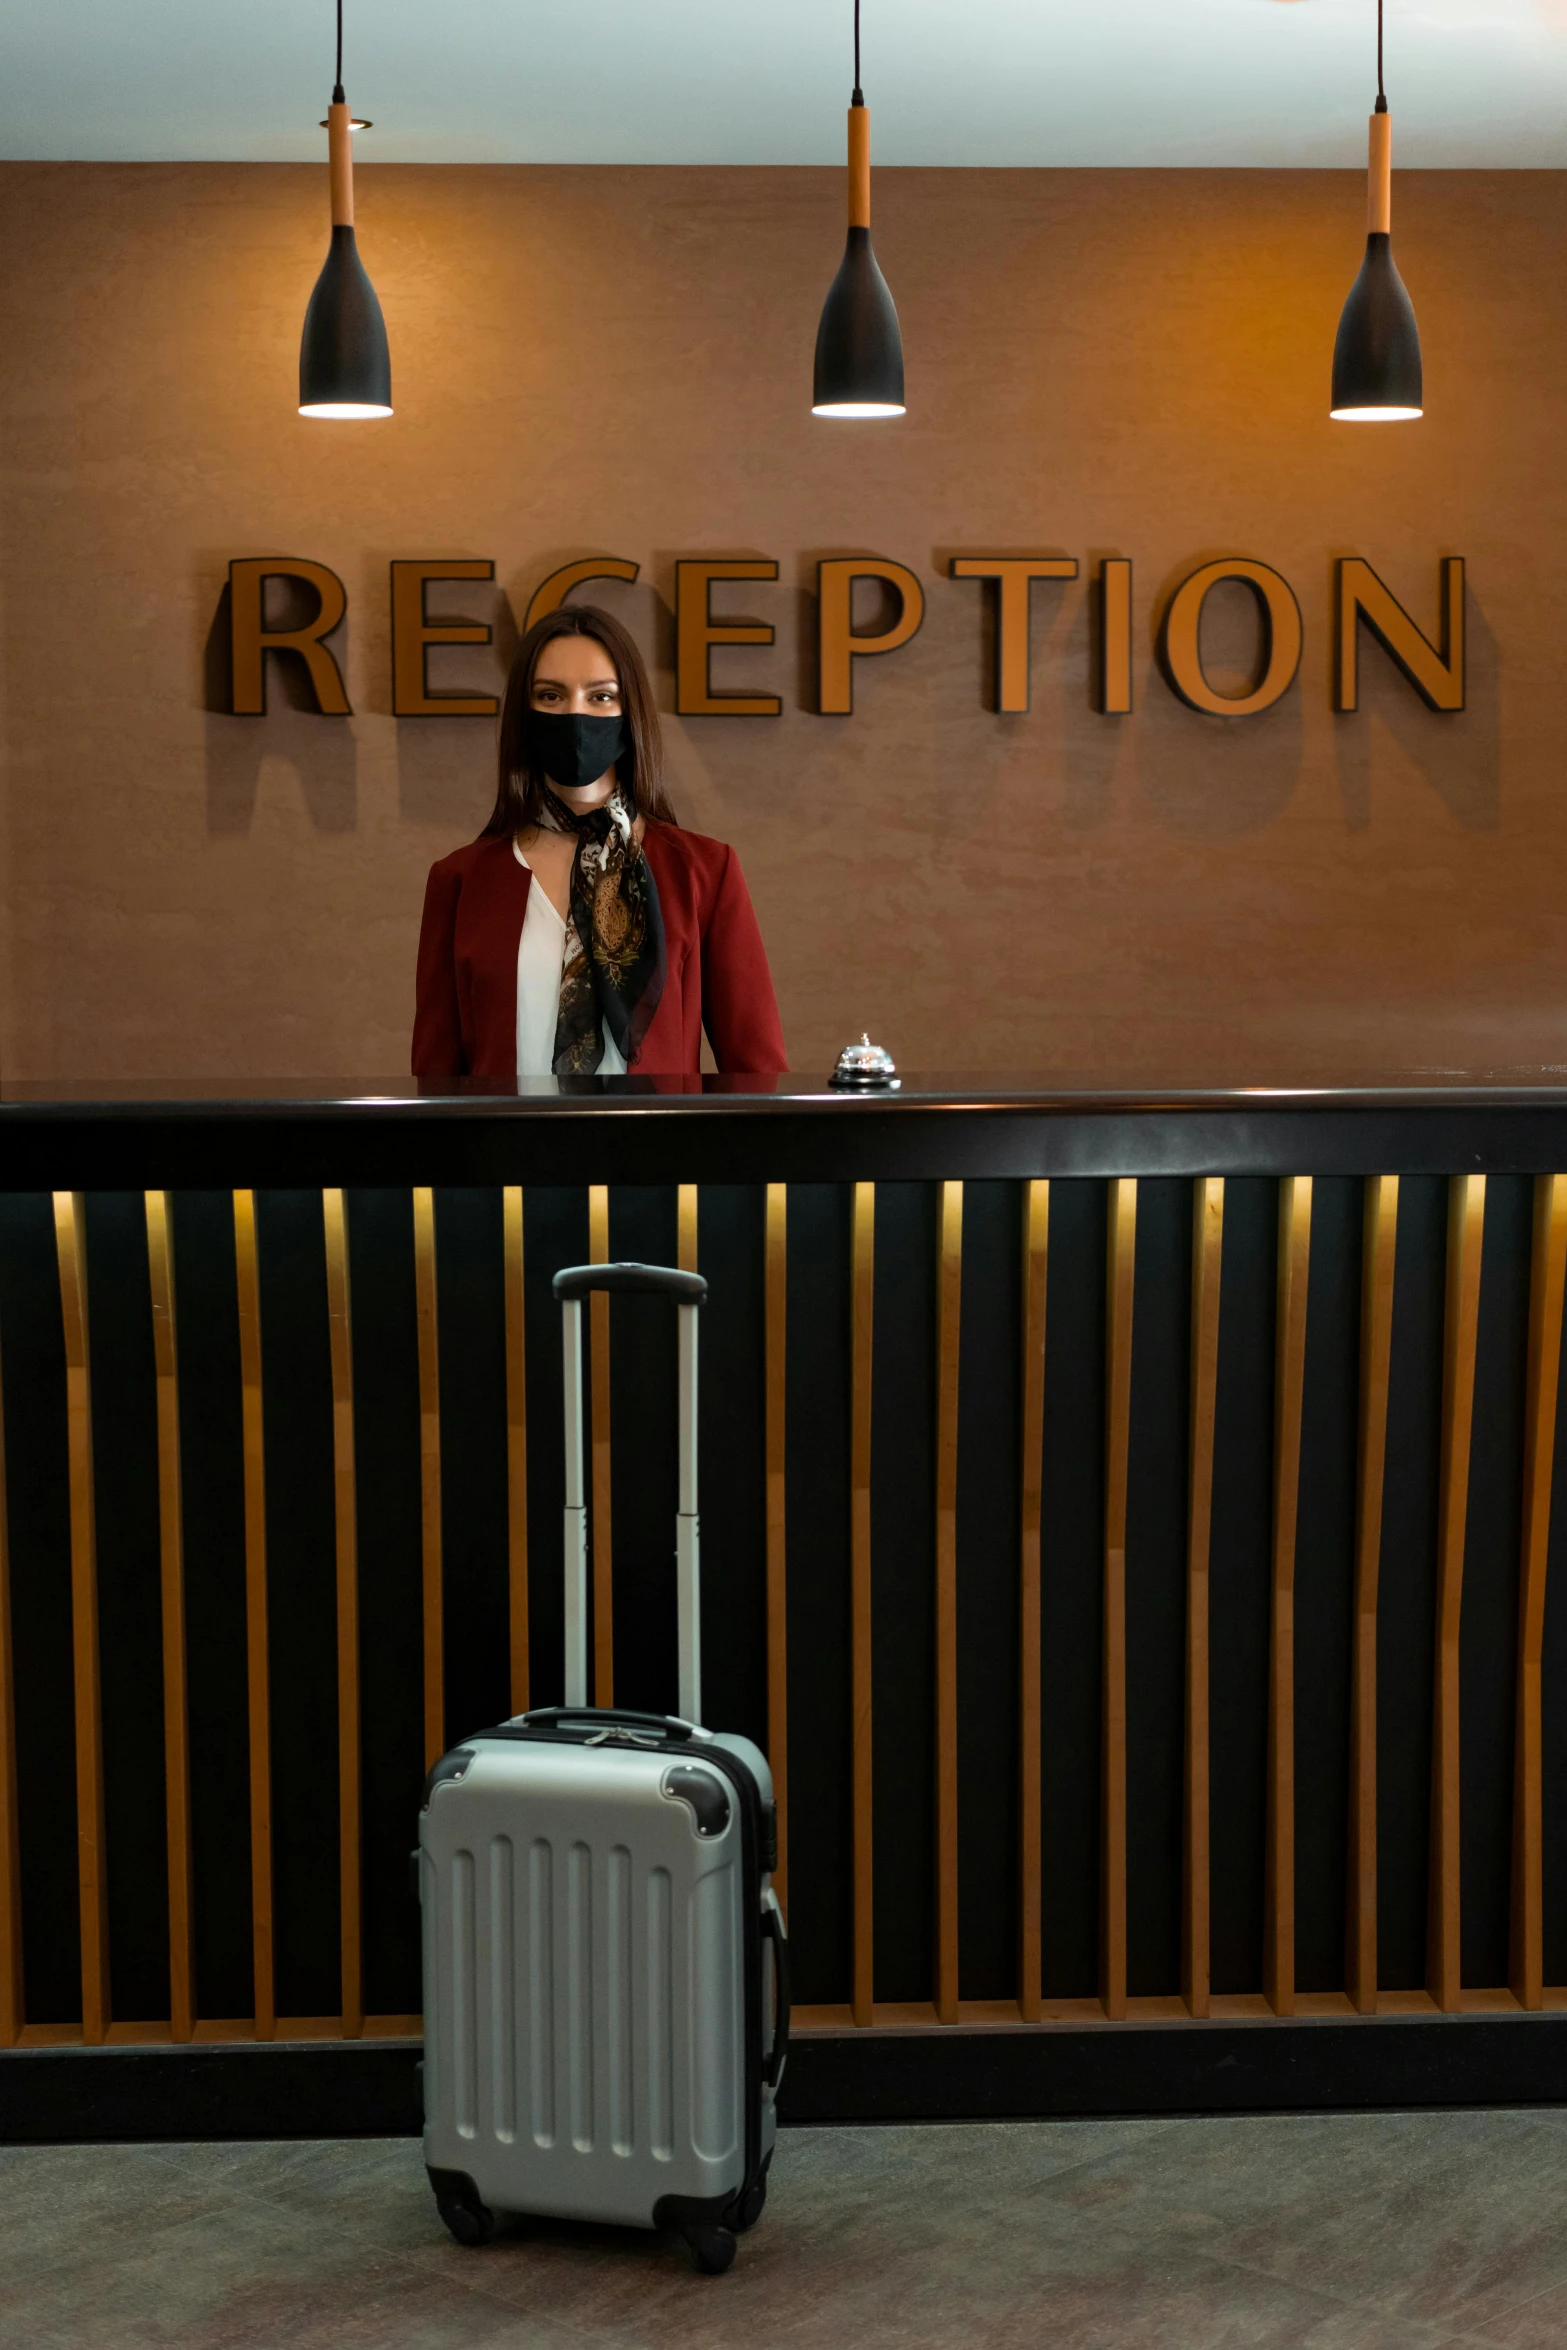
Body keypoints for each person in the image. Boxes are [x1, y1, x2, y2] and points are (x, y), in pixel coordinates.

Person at [412, 605, 786, 1079]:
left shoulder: (704, 871)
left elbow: (756, 1070)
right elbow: (434, 1080)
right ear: (524, 717)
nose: (575, 715)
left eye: (600, 697)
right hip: (504, 1152)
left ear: (630, 713)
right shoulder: (461, 882)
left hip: (659, 1153)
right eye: (550, 695)